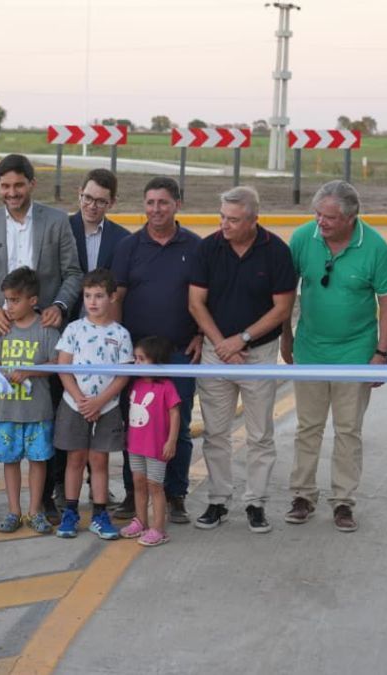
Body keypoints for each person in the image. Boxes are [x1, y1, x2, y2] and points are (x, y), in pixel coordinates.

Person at [0, 153, 82, 524]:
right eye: (4, 186)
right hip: (0, 334)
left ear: (32, 184)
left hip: (42, 337)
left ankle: (43, 500)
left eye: (18, 185)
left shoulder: (57, 221)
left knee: (45, 421)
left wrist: (60, 306)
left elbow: (73, 273)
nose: (11, 192)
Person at [283, 180, 387, 533]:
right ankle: (302, 495)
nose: (321, 222)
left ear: (351, 217)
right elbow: (286, 293)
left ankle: (343, 501)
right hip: (310, 349)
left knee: (348, 430)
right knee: (308, 428)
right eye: (318, 214)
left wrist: (381, 353)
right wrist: (286, 337)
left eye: (329, 217)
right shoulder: (303, 238)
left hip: (356, 352)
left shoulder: (375, 246)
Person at [187, 186, 296, 533]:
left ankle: (256, 503)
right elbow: (195, 303)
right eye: (222, 217)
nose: (225, 225)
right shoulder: (209, 247)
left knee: (260, 434)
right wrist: (222, 345)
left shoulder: (276, 251)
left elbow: (282, 307)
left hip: (259, 353)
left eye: (233, 219)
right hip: (216, 354)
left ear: (253, 220)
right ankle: (218, 500)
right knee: (216, 433)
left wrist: (242, 339)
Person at [111, 176, 201, 525]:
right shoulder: (129, 247)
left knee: (177, 426)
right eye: (150, 202)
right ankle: (135, 495)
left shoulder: (195, 247)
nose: (155, 209)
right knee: (134, 424)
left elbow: (204, 297)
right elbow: (117, 297)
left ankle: (175, 494)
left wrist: (200, 336)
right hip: (137, 357)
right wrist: (121, 347)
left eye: (163, 202)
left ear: (178, 204)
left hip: (179, 354)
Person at [54, 269, 134, 540]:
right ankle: (71, 511)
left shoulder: (121, 334)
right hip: (73, 404)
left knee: (99, 460)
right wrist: (79, 398)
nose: (93, 301)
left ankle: (100, 514)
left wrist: (100, 401)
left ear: (112, 297)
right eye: (88, 296)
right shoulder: (74, 329)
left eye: (99, 296)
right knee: (75, 459)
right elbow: (63, 366)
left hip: (107, 406)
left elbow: (124, 374)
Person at [0, 267, 60, 535]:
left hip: (37, 409)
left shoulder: (46, 329)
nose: (9, 306)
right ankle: (14, 511)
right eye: (7, 300)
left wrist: (29, 371)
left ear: (33, 300)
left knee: (38, 461)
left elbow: (57, 363)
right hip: (8, 409)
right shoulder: (2, 326)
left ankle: (34, 510)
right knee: (10, 459)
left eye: (15, 300)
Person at [118, 336, 181, 547]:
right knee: (138, 483)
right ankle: (141, 521)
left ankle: (159, 529)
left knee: (155, 485)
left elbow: (175, 413)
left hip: (156, 447)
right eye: (135, 358)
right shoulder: (135, 384)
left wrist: (171, 441)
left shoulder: (166, 386)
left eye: (142, 359)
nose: (136, 363)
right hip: (136, 445)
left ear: (157, 360)